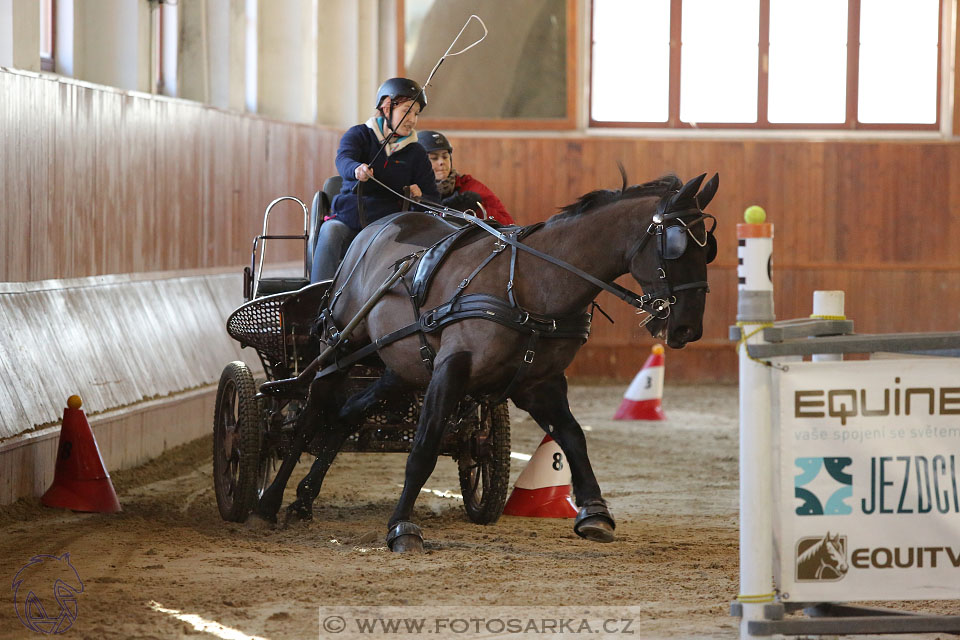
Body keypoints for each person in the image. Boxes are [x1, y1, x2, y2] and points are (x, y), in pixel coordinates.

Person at [310, 78, 440, 282]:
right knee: (330, 230)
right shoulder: (359, 134)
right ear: (386, 107)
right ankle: (316, 296)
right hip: (350, 220)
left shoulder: (416, 152)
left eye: (416, 113)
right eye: (407, 111)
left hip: (391, 226)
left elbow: (433, 200)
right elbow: (343, 159)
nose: (413, 120)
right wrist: (356, 169)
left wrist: (420, 196)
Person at [417, 130, 515, 225]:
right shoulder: (412, 190)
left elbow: (509, 224)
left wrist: (478, 209)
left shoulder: (470, 186)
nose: (441, 162)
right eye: (434, 158)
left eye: (445, 156)